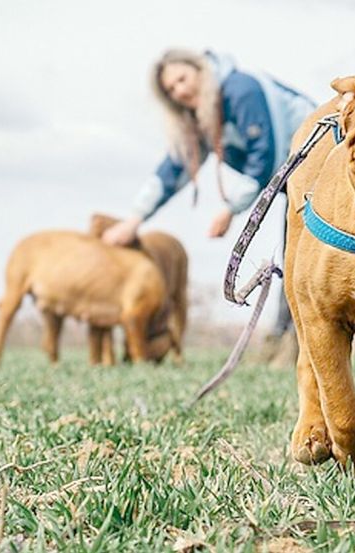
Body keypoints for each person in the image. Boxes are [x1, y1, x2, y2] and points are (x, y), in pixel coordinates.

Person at [102, 48, 315, 354]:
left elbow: (265, 153)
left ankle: (291, 342)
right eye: (171, 90)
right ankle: (284, 341)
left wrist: (231, 209)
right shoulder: (204, 117)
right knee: (295, 256)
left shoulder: (241, 90)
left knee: (302, 259)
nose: (179, 91)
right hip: (295, 184)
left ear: (201, 71)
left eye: (182, 79)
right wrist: (133, 220)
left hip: (322, 171)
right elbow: (174, 168)